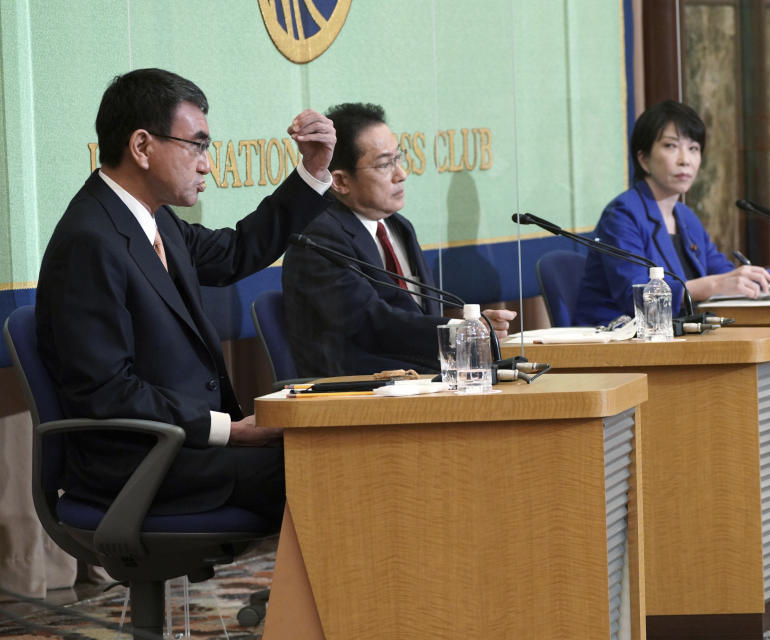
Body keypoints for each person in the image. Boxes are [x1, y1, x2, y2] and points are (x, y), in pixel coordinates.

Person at [34, 68, 336, 525]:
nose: (206, 164)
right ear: (141, 146)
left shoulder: (153, 220)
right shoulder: (89, 240)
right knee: (323, 467)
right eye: (196, 145)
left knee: (331, 449)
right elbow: (107, 391)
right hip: (140, 461)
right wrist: (230, 431)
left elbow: (237, 252)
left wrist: (312, 172)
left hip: (182, 446)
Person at [282, 102, 515, 377]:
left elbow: (416, 316)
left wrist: (467, 326)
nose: (401, 174)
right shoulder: (318, 240)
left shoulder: (398, 227)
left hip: (420, 380)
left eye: (399, 158)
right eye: (384, 164)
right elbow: (371, 324)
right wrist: (458, 330)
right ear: (340, 181)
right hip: (359, 393)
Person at [573, 100, 770, 326]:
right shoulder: (623, 215)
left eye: (693, 148)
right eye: (671, 146)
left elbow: (723, 272)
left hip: (673, 338)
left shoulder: (685, 217)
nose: (685, 160)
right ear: (643, 159)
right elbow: (636, 301)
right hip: (616, 343)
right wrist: (711, 286)